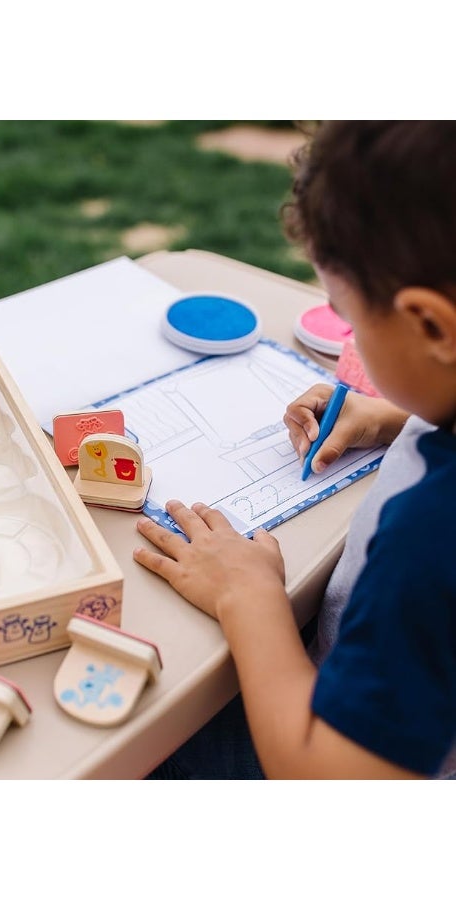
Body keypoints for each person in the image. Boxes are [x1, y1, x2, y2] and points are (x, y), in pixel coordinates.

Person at [134, 121, 456, 779]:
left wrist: (250, 598)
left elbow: (334, 781)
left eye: (350, 317)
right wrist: (401, 417)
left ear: (431, 325)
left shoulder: (433, 536)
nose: (351, 345)